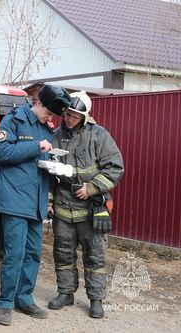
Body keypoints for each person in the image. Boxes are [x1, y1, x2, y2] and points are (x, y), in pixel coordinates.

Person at [0, 84, 71, 326]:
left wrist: (56, 169)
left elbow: (41, 164)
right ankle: (5, 303)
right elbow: (1, 152)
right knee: (14, 253)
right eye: (48, 114)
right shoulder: (14, 120)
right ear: (37, 104)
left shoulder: (45, 128)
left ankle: (24, 298)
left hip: (36, 201)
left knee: (34, 254)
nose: (50, 119)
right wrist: (35, 147)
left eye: (52, 116)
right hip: (14, 198)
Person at [47, 91, 124, 318]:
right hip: (62, 207)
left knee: (95, 256)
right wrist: (49, 201)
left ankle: (96, 299)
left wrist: (91, 188)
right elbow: (49, 174)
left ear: (85, 116)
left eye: (75, 116)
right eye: (68, 114)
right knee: (62, 253)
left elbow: (115, 168)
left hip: (91, 209)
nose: (70, 119)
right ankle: (65, 293)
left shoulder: (99, 135)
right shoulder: (55, 136)